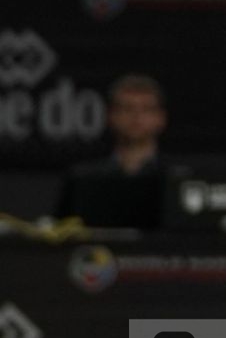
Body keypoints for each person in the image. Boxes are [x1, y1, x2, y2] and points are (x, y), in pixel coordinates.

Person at [57, 74, 168, 230]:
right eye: (127, 108)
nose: (136, 116)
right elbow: (61, 231)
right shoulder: (83, 179)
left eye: (146, 109)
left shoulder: (176, 178)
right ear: (111, 116)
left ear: (161, 118)